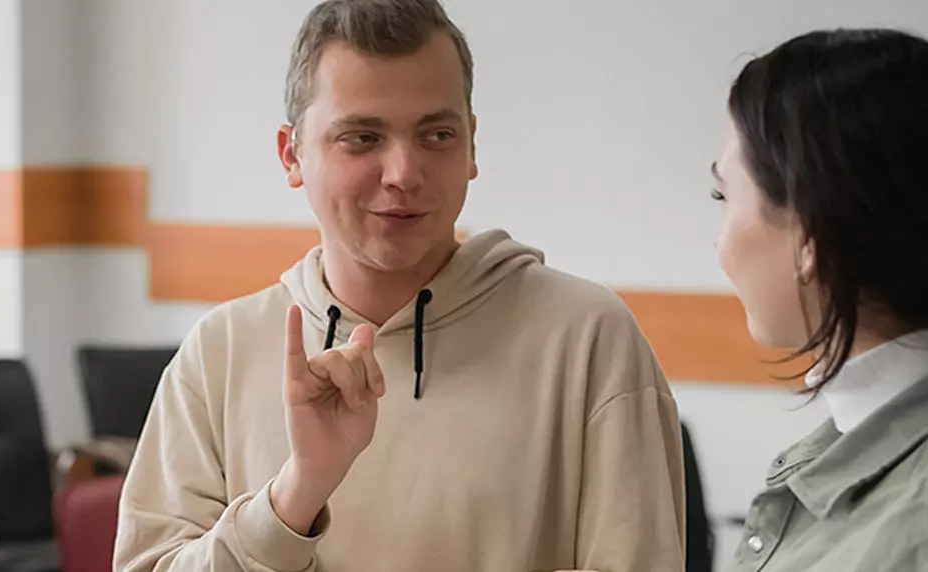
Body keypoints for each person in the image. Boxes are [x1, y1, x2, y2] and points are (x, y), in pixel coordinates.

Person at [113, 1, 685, 570]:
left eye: (437, 135)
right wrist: (295, 496)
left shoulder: (590, 340)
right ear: (292, 155)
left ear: (472, 146)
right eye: (362, 138)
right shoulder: (218, 355)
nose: (404, 173)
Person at [711, 28, 928, 571]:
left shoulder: (908, 523)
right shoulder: (852, 441)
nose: (718, 242)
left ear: (809, 235)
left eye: (723, 195)